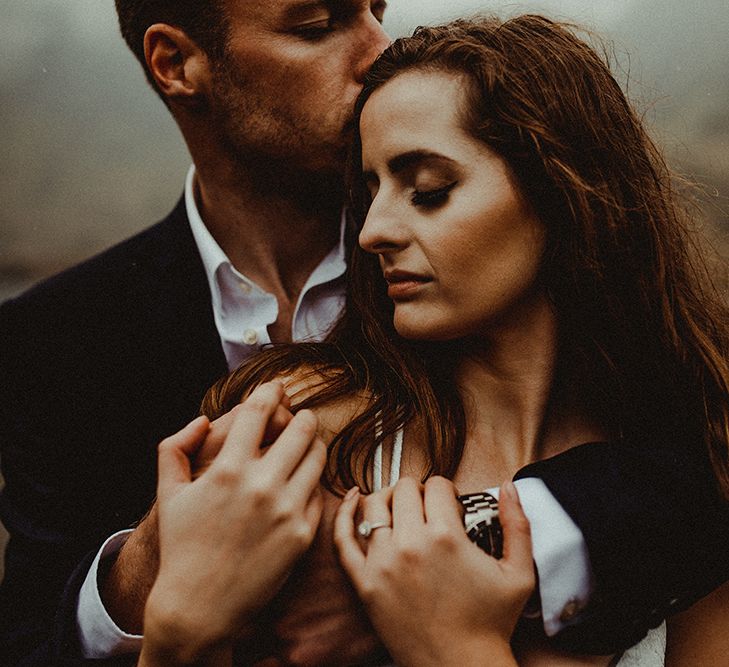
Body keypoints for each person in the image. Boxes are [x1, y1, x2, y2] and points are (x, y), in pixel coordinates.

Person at [0, 2, 726, 664]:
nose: (378, 46)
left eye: (377, 9)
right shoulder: (58, 341)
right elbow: (34, 630)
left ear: (560, 191)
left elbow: (695, 478)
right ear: (176, 64)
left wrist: (456, 554)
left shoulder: (666, 421)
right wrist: (163, 598)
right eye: (315, 25)